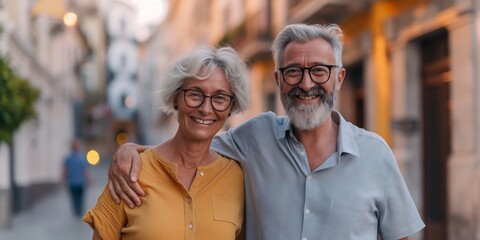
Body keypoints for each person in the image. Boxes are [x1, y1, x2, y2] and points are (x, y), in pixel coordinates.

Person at [109, 23, 425, 239]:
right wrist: (131, 150)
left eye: (319, 70)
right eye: (292, 72)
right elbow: (192, 144)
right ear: (277, 80)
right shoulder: (253, 139)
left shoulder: (375, 154)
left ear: (339, 78)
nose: (305, 84)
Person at [83, 46, 248, 240]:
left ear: (230, 107)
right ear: (176, 98)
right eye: (195, 94)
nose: (205, 108)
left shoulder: (236, 177)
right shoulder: (130, 172)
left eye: (219, 98)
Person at [63, 138, 90, 218]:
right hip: (72, 182)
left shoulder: (81, 157)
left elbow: (85, 170)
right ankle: (77, 210)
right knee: (75, 197)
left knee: (79, 197)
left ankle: (78, 210)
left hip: (79, 182)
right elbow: (65, 170)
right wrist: (63, 179)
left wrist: (88, 179)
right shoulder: (69, 158)